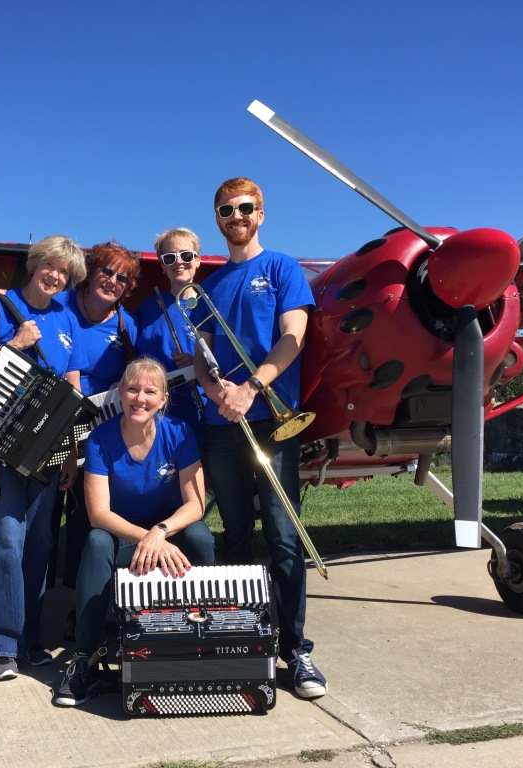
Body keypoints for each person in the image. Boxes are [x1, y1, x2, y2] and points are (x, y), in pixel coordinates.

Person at [192, 177, 327, 699]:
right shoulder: (207, 286)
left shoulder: (281, 268)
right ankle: (246, 638)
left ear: (261, 213)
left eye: (245, 208)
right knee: (236, 536)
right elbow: (202, 358)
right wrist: (216, 392)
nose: (236, 216)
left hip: (271, 418)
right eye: (226, 209)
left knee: (284, 535)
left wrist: (251, 387)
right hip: (222, 423)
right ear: (218, 218)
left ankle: (296, 651)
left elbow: (294, 337)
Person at [0, 234, 87, 681]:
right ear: (35, 264)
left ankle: (31, 638)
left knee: (42, 543)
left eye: (65, 273)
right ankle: (2, 645)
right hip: (0, 437)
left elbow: (72, 386)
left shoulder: (67, 316)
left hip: (49, 444)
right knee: (8, 537)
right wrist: (14, 345)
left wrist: (72, 452)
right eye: (50, 266)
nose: (56, 276)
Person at [53, 357, 214, 707]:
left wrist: (160, 532)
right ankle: (85, 658)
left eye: (150, 391)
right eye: (132, 389)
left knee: (201, 535)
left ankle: (199, 642)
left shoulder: (179, 433)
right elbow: (98, 515)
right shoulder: (100, 439)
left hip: (166, 534)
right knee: (95, 542)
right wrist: (147, 538)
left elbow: (195, 505)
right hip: (125, 536)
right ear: (120, 393)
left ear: (163, 399)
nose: (140, 398)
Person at [53, 242, 141, 638]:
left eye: (123, 278)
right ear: (90, 272)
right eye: (107, 272)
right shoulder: (59, 306)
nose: (113, 281)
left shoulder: (126, 325)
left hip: (101, 432)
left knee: (84, 522)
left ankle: (77, 612)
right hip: (51, 421)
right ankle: (22, 618)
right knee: (36, 529)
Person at [134, 227, 206, 441]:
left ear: (198, 260)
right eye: (169, 257)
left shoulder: (211, 305)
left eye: (186, 255)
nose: (178, 262)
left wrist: (198, 364)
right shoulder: (146, 309)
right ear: (163, 266)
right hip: (154, 416)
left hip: (204, 414)